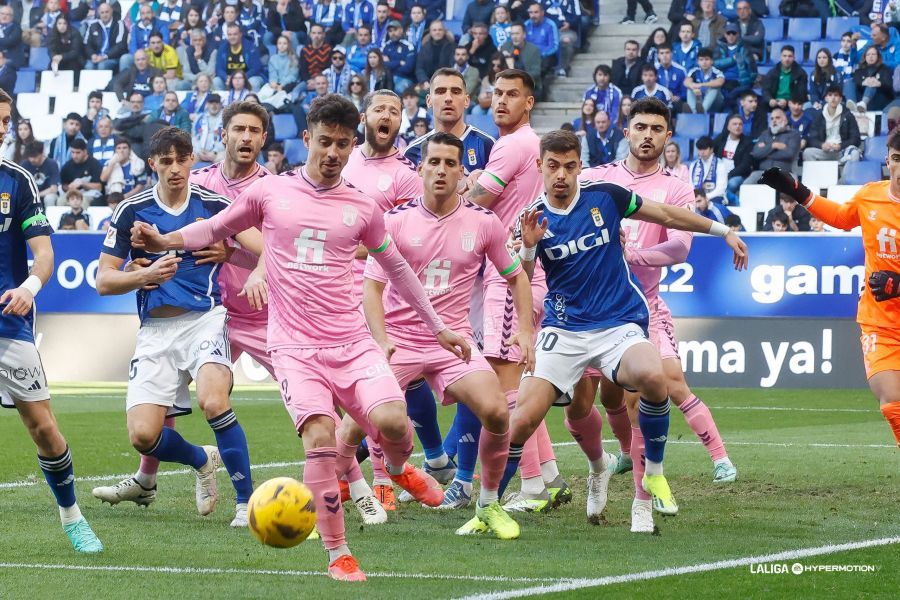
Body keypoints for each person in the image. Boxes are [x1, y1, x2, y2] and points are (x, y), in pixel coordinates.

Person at [129, 94, 472, 581]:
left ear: (353, 146)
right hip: (295, 347)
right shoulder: (271, 194)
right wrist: (166, 241)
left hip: (352, 341)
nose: (333, 152)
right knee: (320, 437)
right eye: (325, 142)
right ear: (308, 139)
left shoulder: (363, 205)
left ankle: (396, 469)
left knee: (395, 424)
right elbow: (214, 226)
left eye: (343, 144)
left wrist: (438, 325)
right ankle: (338, 553)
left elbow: (395, 266)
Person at [507, 125, 747, 533]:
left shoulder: (607, 196)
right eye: (553, 167)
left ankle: (646, 490)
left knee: (653, 379)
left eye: (569, 166)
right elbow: (523, 276)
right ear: (540, 168)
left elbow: (668, 215)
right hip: (566, 328)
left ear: (579, 166)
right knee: (569, 412)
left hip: (619, 323)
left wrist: (723, 230)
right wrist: (528, 250)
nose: (561, 175)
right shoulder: (530, 218)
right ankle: (596, 469)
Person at [366, 130, 534, 539]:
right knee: (358, 425)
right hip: (401, 341)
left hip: (454, 344)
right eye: (434, 162)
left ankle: (488, 504)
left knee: (496, 410)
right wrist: (380, 339)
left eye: (450, 164)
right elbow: (371, 287)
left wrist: (526, 331)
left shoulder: (484, 223)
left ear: (463, 173)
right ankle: (381, 484)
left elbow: (517, 278)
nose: (441, 170)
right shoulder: (395, 220)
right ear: (420, 168)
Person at [95, 126, 259, 528]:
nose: (174, 168)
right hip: (155, 329)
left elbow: (267, 248)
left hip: (206, 319)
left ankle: (246, 503)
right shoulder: (131, 211)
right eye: (164, 161)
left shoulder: (216, 204)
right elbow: (103, 280)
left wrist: (234, 252)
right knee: (142, 436)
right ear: (152, 164)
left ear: (191, 161)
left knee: (214, 401)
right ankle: (202, 460)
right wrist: (143, 275)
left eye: (180, 159)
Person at [0, 87, 104, 554]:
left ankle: (72, 516)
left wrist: (29, 288)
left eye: (5, 121)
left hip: (7, 321)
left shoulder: (17, 182)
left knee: (42, 426)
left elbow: (43, 254)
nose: (2, 128)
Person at [461, 70, 567, 517]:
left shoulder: (512, 144)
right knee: (521, 381)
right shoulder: (526, 145)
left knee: (507, 385)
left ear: (529, 102)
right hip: (523, 268)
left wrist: (466, 183)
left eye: (511, 95)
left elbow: (476, 200)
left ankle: (530, 484)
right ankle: (548, 477)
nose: (500, 101)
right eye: (496, 94)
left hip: (510, 274)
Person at [402, 69, 497, 508]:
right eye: (438, 91)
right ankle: (428, 460)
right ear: (428, 99)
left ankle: (462, 478)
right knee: (402, 378)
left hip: (473, 281)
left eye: (455, 92)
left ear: (467, 99)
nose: (446, 99)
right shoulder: (411, 152)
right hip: (416, 282)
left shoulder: (486, 144)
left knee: (471, 376)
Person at [803, 85, 862, 164]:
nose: (833, 98)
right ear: (826, 98)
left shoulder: (848, 115)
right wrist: (822, 145)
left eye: (836, 95)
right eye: (830, 95)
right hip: (825, 151)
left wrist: (841, 145)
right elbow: (812, 138)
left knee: (855, 153)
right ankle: (818, 175)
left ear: (840, 99)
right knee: (807, 152)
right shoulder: (818, 115)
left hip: (842, 151)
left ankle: (846, 176)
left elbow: (856, 138)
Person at [746, 107, 801, 184]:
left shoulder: (794, 134)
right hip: (763, 172)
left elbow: (790, 154)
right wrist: (773, 145)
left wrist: (766, 153)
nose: (774, 121)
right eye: (772, 118)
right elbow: (756, 153)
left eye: (777, 118)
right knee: (746, 185)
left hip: (784, 173)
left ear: (785, 120)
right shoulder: (765, 134)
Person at [713, 113, 753, 205]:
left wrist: (729, 174)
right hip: (720, 173)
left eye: (740, 124)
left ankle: (736, 204)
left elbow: (745, 165)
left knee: (731, 184)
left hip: (737, 175)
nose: (738, 126)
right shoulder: (721, 138)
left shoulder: (747, 143)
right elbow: (710, 151)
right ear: (728, 127)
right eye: (734, 124)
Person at [215, 23, 266, 92]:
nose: (232, 37)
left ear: (240, 35)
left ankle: (252, 101)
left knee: (254, 82)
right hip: (229, 79)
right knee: (216, 81)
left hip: (248, 77)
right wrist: (226, 78)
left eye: (235, 34)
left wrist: (241, 78)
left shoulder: (250, 47)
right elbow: (219, 68)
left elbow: (256, 68)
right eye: (230, 34)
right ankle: (220, 102)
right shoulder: (223, 48)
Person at [500, 23, 543, 99]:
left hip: (529, 87)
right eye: (512, 34)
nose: (514, 37)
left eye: (517, 33)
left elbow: (536, 72)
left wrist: (519, 78)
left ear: (524, 35)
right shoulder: (506, 47)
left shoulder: (533, 50)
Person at [762, 45, 808, 110]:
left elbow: (802, 94)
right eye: (784, 56)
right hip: (774, 103)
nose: (787, 59)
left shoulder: (801, 73)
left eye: (790, 56)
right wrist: (770, 100)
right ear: (781, 57)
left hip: (792, 104)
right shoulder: (772, 72)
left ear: (794, 58)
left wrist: (787, 101)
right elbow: (765, 90)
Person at [60, 139, 103, 205]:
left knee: (83, 201)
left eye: (78, 153)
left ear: (85, 152)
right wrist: (69, 187)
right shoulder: (68, 165)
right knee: (60, 201)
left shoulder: (94, 164)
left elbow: (99, 187)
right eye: (72, 152)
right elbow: (63, 184)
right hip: (72, 194)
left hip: (89, 194)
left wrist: (82, 183)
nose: (74, 156)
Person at [853, 45, 894, 112]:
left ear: (878, 56)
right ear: (865, 57)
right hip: (860, 98)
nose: (870, 56)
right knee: (849, 82)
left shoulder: (884, 69)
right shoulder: (859, 70)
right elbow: (855, 81)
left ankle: (864, 103)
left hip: (879, 100)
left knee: (872, 83)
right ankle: (854, 105)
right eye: (868, 54)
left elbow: (889, 85)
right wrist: (863, 82)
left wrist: (879, 83)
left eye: (873, 54)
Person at [690, 136, 730, 203]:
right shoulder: (693, 165)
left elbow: (721, 188)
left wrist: (706, 197)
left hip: (715, 198)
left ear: (711, 149)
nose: (702, 152)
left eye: (705, 149)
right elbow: (691, 185)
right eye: (700, 149)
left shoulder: (720, 164)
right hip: (697, 200)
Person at [685, 48, 725, 114]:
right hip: (701, 100)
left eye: (707, 59)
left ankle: (701, 111)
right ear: (697, 61)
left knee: (714, 88)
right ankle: (693, 111)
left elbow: (720, 82)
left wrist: (702, 85)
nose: (704, 62)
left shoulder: (716, 72)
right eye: (701, 60)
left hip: (716, 103)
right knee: (689, 88)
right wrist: (693, 86)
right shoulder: (694, 71)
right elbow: (686, 82)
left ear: (712, 61)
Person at [415, 20, 454, 86]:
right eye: (434, 30)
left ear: (444, 31)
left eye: (440, 30)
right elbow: (419, 68)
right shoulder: (424, 48)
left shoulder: (452, 47)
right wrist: (424, 81)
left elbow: (453, 67)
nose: (437, 32)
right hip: (427, 83)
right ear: (430, 32)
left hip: (446, 82)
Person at [24, 141, 61, 207]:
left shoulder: (51, 164)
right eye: (30, 157)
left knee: (49, 198)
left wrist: (36, 195)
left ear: (42, 153)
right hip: (30, 195)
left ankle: (49, 217)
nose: (32, 159)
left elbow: (53, 189)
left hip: (47, 193)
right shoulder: (25, 164)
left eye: (35, 156)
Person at [383, 20, 416, 92]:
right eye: (390, 31)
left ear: (401, 30)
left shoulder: (408, 46)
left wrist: (390, 64)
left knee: (399, 88)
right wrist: (399, 63)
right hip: (388, 78)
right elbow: (382, 64)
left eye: (395, 30)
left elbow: (408, 68)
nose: (393, 33)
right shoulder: (385, 46)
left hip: (404, 78)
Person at [193, 94, 225, 163]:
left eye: (216, 103)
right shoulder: (199, 118)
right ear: (207, 104)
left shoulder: (226, 119)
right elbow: (193, 137)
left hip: (218, 152)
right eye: (211, 103)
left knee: (221, 159)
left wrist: (215, 151)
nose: (214, 106)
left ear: (221, 104)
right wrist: (199, 151)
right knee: (189, 158)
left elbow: (228, 139)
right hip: (200, 151)